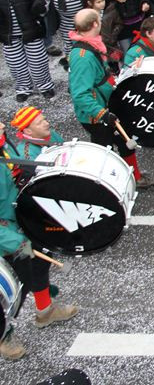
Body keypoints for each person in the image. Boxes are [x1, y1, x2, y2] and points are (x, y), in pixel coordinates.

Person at [0, 133, 77, 362]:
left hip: (20, 220)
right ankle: (3, 335)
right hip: (7, 237)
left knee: (41, 260)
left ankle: (45, 310)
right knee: (13, 291)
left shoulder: (4, 146)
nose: (3, 123)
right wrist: (16, 242)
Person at [67, 8, 154, 188]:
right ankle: (109, 186)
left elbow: (105, 73)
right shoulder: (83, 57)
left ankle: (133, 176)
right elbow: (80, 95)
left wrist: (130, 67)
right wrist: (103, 114)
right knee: (105, 152)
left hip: (106, 106)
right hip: (97, 114)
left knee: (124, 142)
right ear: (94, 24)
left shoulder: (91, 44)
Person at [0, 0, 53, 102]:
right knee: (16, 64)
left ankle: (45, 86)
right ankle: (23, 87)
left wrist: (37, 11)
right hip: (7, 31)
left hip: (31, 27)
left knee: (38, 61)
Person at [8, 105, 64, 184]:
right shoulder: (26, 155)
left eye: (44, 119)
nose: (47, 123)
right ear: (28, 131)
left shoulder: (49, 133)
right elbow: (41, 181)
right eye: (39, 123)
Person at [84, 0, 122, 71]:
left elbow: (119, 23)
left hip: (111, 45)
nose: (102, 3)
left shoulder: (110, 10)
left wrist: (113, 35)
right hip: (97, 47)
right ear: (90, 3)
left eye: (103, 0)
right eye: (98, 2)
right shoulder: (88, 16)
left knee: (115, 67)